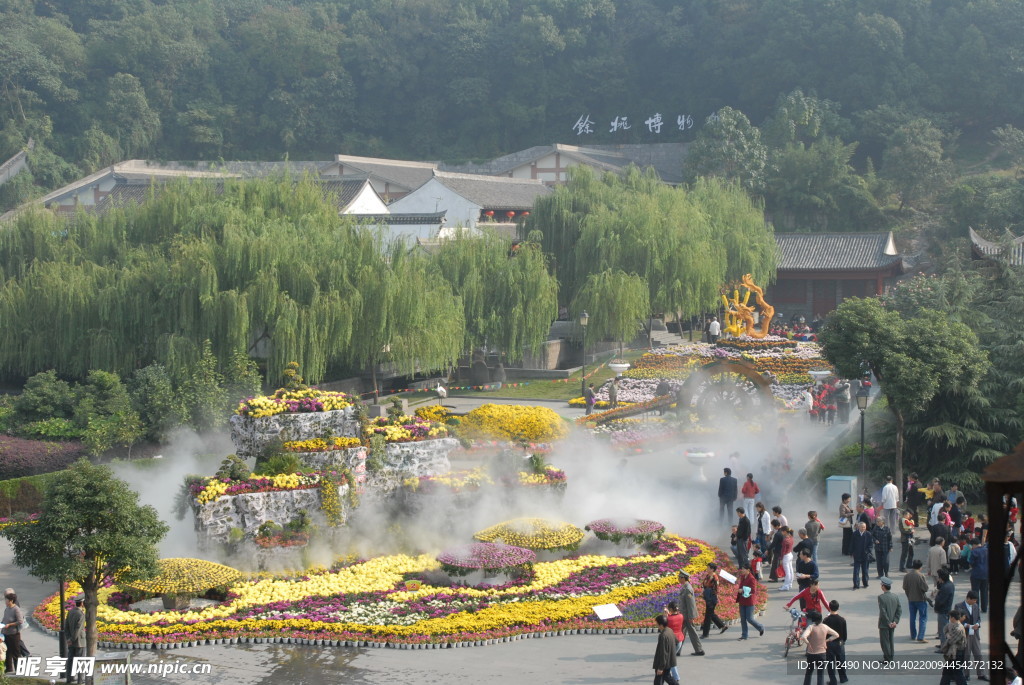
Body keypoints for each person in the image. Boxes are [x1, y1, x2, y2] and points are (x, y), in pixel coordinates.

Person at [801, 609, 839, 685]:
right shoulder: (825, 627)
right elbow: (836, 635)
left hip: (811, 653)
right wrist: (827, 640)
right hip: (822, 654)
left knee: (809, 672)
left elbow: (803, 637)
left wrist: (808, 644)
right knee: (820, 673)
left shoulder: (811, 627)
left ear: (813, 619)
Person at [955, 591, 987, 681]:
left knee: (978, 654)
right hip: (965, 634)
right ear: (968, 598)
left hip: (975, 634)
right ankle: (966, 674)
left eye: (976, 600)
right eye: (973, 600)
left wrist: (977, 624)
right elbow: (957, 620)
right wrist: (967, 625)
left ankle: (981, 674)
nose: (975, 602)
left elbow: (979, 618)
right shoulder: (959, 606)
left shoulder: (976, 606)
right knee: (966, 655)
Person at [676, 570, 704, 656]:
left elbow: (691, 604)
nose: (678, 579)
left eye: (679, 578)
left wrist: (691, 617)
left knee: (692, 632)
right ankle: (677, 650)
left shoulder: (688, 589)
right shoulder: (685, 587)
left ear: (683, 578)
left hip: (687, 615)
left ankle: (699, 650)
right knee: (681, 632)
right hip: (684, 615)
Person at [903, 559, 930, 642]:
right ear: (920, 567)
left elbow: (905, 587)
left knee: (912, 617)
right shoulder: (920, 576)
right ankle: (921, 636)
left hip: (911, 599)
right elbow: (925, 588)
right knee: (923, 617)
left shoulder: (907, 575)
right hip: (920, 599)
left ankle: (913, 635)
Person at [823, 600, 849, 685]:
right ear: (838, 608)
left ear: (829, 608)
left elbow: (825, 634)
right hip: (840, 643)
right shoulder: (842, 620)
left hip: (829, 643)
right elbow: (844, 635)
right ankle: (843, 678)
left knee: (830, 663)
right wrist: (842, 641)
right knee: (841, 661)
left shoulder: (826, 620)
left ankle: (833, 681)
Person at [939, 608, 968, 685]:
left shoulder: (959, 628)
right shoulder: (952, 624)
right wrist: (948, 635)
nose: (949, 619)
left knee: (957, 672)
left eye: (950, 617)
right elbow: (945, 629)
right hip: (952, 652)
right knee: (947, 671)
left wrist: (948, 636)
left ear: (953, 618)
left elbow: (951, 640)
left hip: (958, 653)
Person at [736, 565, 764, 641]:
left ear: (748, 570)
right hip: (742, 600)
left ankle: (760, 627)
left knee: (749, 619)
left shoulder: (752, 579)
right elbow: (741, 585)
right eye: (742, 569)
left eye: (744, 569)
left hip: (749, 601)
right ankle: (744, 635)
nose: (742, 570)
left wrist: (743, 590)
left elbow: (753, 591)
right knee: (743, 619)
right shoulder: (743, 576)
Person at [877, 576, 901, 663]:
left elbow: (883, 612)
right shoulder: (895, 596)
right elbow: (899, 610)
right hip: (893, 623)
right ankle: (891, 655)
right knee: (891, 640)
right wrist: (895, 621)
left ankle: (887, 658)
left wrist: (888, 622)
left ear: (883, 586)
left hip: (884, 623)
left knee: (885, 642)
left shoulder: (881, 597)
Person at [62, 597, 85, 684]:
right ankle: (80, 680)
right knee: (80, 661)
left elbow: (66, 626)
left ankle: (69, 678)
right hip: (79, 642)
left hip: (70, 642)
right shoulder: (81, 614)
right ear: (82, 603)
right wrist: (72, 639)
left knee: (70, 660)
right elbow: (78, 629)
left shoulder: (70, 612)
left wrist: (68, 638)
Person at [700, 562, 727, 637]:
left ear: (712, 569)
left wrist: (713, 597)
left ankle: (705, 634)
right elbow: (704, 584)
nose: (707, 569)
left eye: (708, 568)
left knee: (708, 616)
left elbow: (716, 589)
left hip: (711, 598)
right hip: (708, 597)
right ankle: (723, 626)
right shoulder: (708, 576)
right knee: (710, 614)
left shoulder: (715, 578)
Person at [652, 614, 680, 685]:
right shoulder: (669, 630)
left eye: (657, 624)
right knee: (667, 677)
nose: (656, 625)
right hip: (670, 660)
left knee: (658, 681)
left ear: (661, 625)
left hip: (663, 663)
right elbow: (676, 641)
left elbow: (663, 653)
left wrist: (661, 668)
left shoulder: (663, 636)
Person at [934, 567, 955, 652]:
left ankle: (944, 647)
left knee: (943, 630)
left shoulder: (946, 587)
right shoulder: (948, 584)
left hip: (943, 610)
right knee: (942, 629)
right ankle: (943, 644)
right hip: (945, 610)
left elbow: (940, 600)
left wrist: (935, 605)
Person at [2, 593, 23, 674]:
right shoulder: (7, 608)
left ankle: (19, 669)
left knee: (16, 652)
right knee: (7, 651)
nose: (5, 601)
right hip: (5, 633)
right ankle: (9, 668)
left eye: (6, 600)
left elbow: (20, 621)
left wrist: (10, 624)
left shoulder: (16, 609)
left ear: (11, 601)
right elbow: (4, 619)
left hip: (14, 634)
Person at [664, 601, 684, 682]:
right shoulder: (681, 616)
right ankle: (666, 671)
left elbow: (664, 625)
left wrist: (665, 615)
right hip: (679, 640)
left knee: (670, 660)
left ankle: (676, 677)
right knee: (671, 658)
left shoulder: (668, 618)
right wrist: (668, 614)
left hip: (671, 641)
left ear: (671, 609)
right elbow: (674, 617)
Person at [969, 537, 989, 613]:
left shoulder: (974, 552)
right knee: (984, 591)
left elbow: (971, 563)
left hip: (976, 574)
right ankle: (984, 608)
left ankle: (975, 608)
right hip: (986, 574)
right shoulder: (987, 550)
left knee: (975, 591)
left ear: (974, 544)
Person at [851, 521, 872, 590]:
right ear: (858, 527)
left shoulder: (868, 534)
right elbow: (852, 544)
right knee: (856, 571)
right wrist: (851, 552)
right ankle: (856, 585)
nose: (863, 528)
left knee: (865, 571)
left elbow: (870, 545)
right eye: (862, 527)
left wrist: (868, 552)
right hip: (857, 555)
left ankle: (865, 583)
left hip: (865, 556)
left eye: (864, 527)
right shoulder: (855, 534)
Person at [780, 527, 796, 592]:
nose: (781, 532)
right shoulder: (791, 537)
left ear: (785, 532)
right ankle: (790, 584)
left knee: (787, 572)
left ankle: (786, 585)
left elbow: (783, 550)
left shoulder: (785, 540)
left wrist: (781, 558)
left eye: (782, 531)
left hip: (786, 556)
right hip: (790, 554)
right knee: (791, 570)